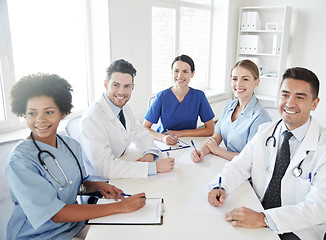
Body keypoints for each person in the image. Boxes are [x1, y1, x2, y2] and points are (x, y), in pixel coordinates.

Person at [207, 67, 326, 240]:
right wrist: (221, 185)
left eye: (300, 97)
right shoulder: (265, 132)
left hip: (303, 227)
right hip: (261, 211)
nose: (289, 103)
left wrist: (264, 218)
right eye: (285, 94)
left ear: (314, 103)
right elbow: (239, 165)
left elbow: (319, 207)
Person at [6, 73, 146, 240]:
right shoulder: (20, 161)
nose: (40, 120)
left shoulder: (70, 145)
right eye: (32, 113)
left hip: (74, 225)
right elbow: (56, 214)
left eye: (49, 112)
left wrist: (98, 186)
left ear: (62, 113)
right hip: (40, 236)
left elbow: (78, 185)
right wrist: (121, 207)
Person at [79, 59, 174, 179]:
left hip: (122, 167)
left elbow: (141, 134)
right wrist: (154, 168)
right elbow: (105, 167)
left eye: (126, 86)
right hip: (102, 181)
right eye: (115, 85)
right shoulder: (92, 118)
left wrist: (149, 153)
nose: (121, 92)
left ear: (132, 87)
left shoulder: (124, 108)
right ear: (105, 84)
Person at [192, 60, 271, 162]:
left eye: (245, 79)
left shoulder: (260, 118)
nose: (238, 84)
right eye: (234, 79)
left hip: (246, 173)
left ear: (256, 82)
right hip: (226, 163)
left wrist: (217, 151)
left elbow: (250, 159)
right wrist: (201, 152)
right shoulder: (229, 107)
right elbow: (216, 138)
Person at [143, 54, 215, 145]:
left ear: (192, 74)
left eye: (185, 71)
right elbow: (145, 127)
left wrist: (181, 133)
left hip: (189, 142)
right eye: (176, 71)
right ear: (172, 73)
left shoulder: (199, 96)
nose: (180, 76)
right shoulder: (161, 97)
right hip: (165, 143)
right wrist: (163, 138)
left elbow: (210, 130)